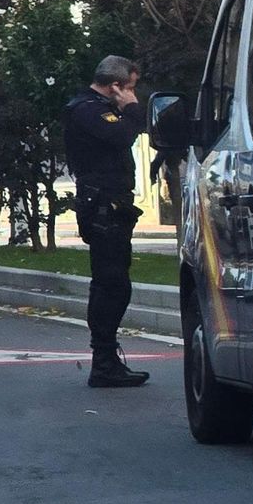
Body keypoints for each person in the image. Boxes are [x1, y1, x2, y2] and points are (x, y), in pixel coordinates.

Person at [63, 56, 150, 388]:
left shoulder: (96, 108)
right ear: (116, 85)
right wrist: (132, 108)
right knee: (110, 283)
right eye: (130, 87)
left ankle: (107, 360)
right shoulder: (87, 109)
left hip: (111, 204)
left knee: (114, 282)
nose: (132, 94)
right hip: (101, 206)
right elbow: (122, 135)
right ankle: (103, 362)